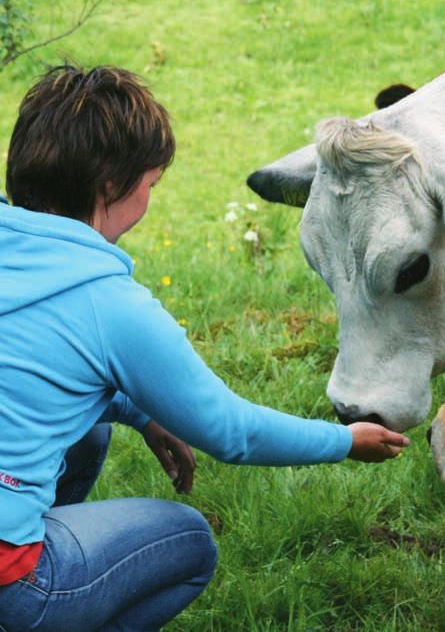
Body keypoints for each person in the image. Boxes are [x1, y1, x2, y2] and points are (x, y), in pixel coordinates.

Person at [0, 65, 410, 631]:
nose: (150, 195)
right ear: (111, 187)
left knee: (90, 429)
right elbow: (229, 430)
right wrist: (344, 441)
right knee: (188, 542)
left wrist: (141, 412)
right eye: (150, 182)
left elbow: (34, 368)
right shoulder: (109, 305)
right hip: (10, 581)